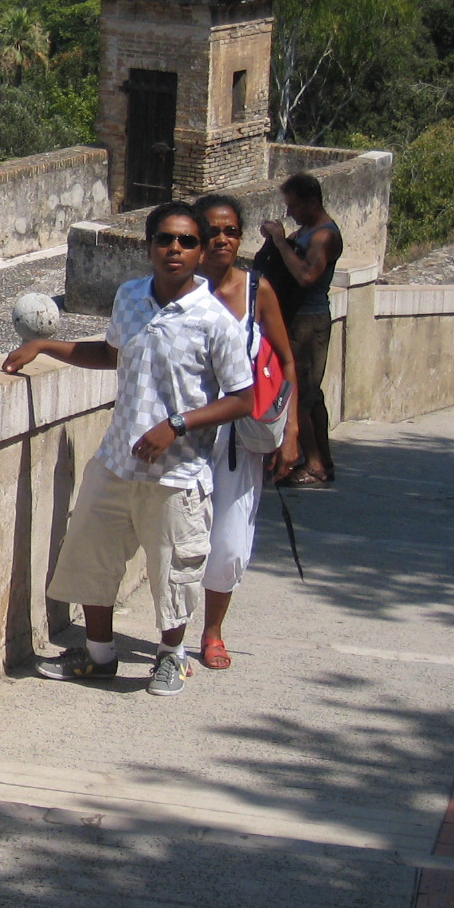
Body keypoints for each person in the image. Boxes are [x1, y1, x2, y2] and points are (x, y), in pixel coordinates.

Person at [3, 202, 254, 697]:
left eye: (186, 241)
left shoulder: (214, 319)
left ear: (200, 251)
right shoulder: (130, 296)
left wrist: (176, 425)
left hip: (177, 472)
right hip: (117, 460)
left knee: (174, 571)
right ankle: (99, 656)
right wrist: (46, 347)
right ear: (149, 247)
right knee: (90, 557)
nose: (175, 249)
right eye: (165, 239)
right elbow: (110, 354)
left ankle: (171, 656)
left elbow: (243, 398)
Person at [191, 193, 300, 671]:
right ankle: (171, 638)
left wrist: (291, 430)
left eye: (231, 231)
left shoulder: (258, 291)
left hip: (240, 439)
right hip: (187, 434)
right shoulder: (180, 289)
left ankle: (212, 632)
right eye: (213, 231)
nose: (222, 240)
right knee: (181, 537)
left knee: (231, 540)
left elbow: (288, 361)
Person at [256, 172, 343, 486]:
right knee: (310, 396)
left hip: (309, 321)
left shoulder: (324, 236)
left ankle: (315, 464)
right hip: (294, 318)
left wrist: (281, 242)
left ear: (312, 201)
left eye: (293, 205)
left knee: (300, 394)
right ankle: (322, 461)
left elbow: (306, 276)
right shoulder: (306, 232)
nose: (289, 212)